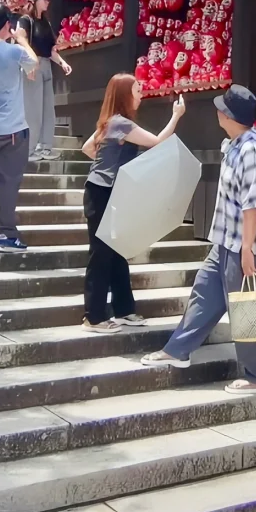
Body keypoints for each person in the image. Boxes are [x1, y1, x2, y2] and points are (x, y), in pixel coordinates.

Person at [142, 85, 256, 393]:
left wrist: (246, 250)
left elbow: (252, 204)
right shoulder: (236, 143)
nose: (216, 111)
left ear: (228, 115)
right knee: (204, 292)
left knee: (249, 307)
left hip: (245, 243)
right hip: (227, 241)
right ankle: (177, 349)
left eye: (221, 108)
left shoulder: (251, 150)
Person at [81, 76, 186, 332]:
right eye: (137, 90)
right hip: (102, 193)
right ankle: (93, 318)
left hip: (107, 192)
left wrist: (107, 158)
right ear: (125, 95)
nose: (141, 95)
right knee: (102, 254)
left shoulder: (111, 122)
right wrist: (176, 115)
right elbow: (158, 142)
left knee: (117, 251)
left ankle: (124, 310)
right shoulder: (121, 124)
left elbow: (87, 148)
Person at [0, 0, 38, 252]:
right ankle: (7, 235)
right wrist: (21, 39)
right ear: (7, 26)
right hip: (12, 129)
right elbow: (33, 62)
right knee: (9, 183)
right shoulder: (13, 52)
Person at [19, 0, 72, 161]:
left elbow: (50, 50)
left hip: (47, 65)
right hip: (32, 66)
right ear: (33, 1)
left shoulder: (45, 23)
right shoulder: (26, 21)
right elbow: (21, 41)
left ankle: (45, 148)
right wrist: (30, 62)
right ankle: (29, 150)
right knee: (33, 110)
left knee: (48, 108)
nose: (47, 2)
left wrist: (62, 62)